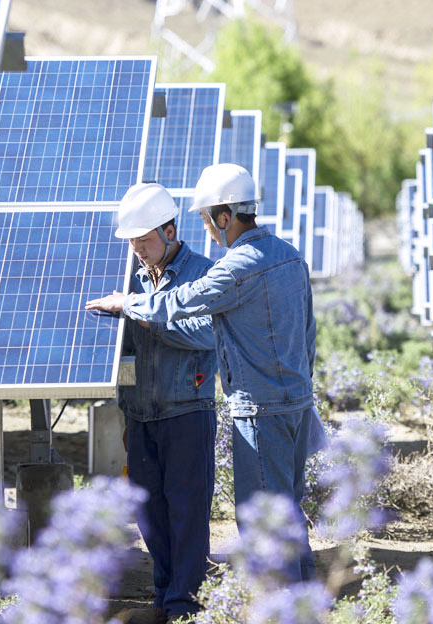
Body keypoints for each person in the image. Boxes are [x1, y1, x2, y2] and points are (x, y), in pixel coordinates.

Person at [87, 164, 317, 583]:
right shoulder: (291, 256)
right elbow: (309, 336)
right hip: (296, 404)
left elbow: (183, 302)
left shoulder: (236, 267)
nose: (209, 233)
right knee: (286, 510)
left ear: (225, 217)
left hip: (258, 410)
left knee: (263, 519)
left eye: (208, 221)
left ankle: (284, 604)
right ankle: (307, 600)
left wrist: (128, 305)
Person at [108, 183, 218, 624]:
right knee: (150, 512)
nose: (138, 250)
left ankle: (184, 604)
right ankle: (163, 597)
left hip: (187, 412)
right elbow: (127, 352)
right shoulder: (130, 281)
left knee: (187, 513)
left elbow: (206, 334)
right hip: (141, 416)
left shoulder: (203, 274)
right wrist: (124, 404)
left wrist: (139, 310)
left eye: (145, 240)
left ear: (170, 230)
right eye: (132, 242)